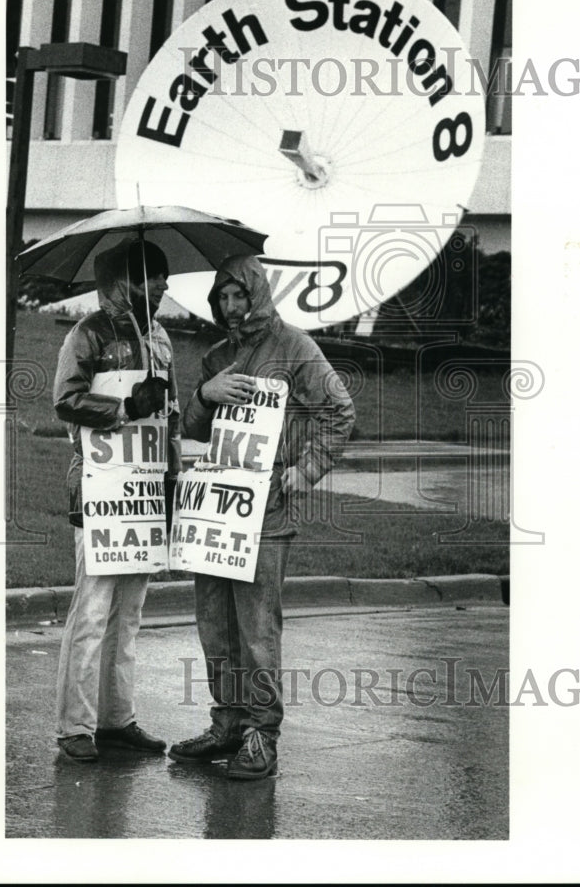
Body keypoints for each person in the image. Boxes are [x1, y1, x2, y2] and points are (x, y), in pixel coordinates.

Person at [168, 255, 356, 780]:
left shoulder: (294, 346)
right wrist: (208, 394)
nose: (230, 307)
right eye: (222, 298)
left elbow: (340, 412)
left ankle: (260, 734)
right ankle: (226, 722)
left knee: (256, 627)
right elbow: (196, 426)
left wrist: (307, 468)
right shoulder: (218, 355)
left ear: (257, 295)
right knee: (215, 622)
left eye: (238, 296)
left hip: (268, 504)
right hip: (217, 501)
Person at [53, 238, 181, 762]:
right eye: (157, 280)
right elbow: (66, 401)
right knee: (92, 613)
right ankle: (74, 727)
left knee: (129, 615)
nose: (165, 290)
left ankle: (116, 718)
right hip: (101, 491)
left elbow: (169, 419)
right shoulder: (87, 335)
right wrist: (127, 404)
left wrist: (172, 483)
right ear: (131, 281)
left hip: (145, 493)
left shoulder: (161, 339)